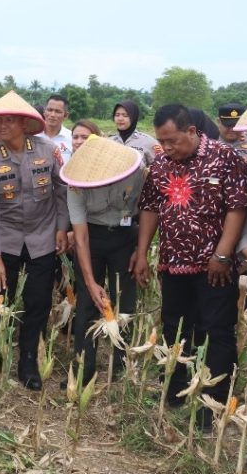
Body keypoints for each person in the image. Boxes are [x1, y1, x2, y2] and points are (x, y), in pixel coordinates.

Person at [134, 104, 247, 431]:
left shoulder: (225, 158)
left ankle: (212, 402)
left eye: (172, 140)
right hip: (173, 263)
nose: (167, 147)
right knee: (174, 327)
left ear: (192, 132)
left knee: (216, 330)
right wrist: (141, 253)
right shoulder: (161, 164)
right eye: (161, 141)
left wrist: (222, 255)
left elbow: (237, 208)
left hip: (215, 266)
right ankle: (175, 388)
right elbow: (150, 208)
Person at [0, 91, 68, 390]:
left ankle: (28, 359)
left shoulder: (48, 150)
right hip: (6, 237)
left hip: (43, 234)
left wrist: (62, 228)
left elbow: (62, 190)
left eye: (9, 120)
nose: (2, 126)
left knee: (38, 300)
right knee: (0, 297)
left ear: (25, 124)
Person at [60, 134, 144, 382]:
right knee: (87, 303)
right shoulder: (75, 182)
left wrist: (140, 250)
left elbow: (146, 210)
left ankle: (121, 367)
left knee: (124, 302)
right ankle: (84, 369)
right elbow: (81, 236)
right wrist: (90, 282)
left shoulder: (137, 171)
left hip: (125, 236)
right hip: (92, 238)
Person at [109, 100, 160, 166]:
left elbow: (160, 166)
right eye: (117, 115)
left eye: (125, 115)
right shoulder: (109, 141)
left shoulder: (149, 142)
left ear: (133, 117)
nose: (120, 119)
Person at [36, 94, 73, 165]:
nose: (52, 114)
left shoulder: (72, 138)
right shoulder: (33, 135)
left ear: (66, 115)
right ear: (44, 112)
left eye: (58, 111)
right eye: (50, 110)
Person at [217, 103, 247, 171]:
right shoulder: (206, 143)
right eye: (228, 125)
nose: (232, 129)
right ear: (218, 121)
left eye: (236, 125)